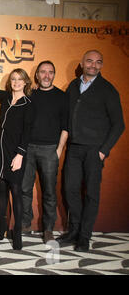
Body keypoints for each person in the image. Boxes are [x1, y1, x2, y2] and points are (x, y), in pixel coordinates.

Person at [56, 50, 124, 252]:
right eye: (90, 61)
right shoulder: (74, 86)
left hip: (94, 151)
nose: (93, 65)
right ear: (82, 63)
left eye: (98, 62)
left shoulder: (107, 90)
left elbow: (119, 125)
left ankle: (84, 237)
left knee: (91, 194)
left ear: (101, 66)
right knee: (70, 189)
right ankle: (74, 231)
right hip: (74, 148)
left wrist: (103, 151)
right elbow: (66, 117)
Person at [0, 68, 34, 250]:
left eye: (20, 79)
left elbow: (27, 131)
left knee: (16, 193)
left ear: (26, 82)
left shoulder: (28, 103)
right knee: (2, 192)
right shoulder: (5, 97)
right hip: (0, 151)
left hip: (16, 153)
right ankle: (1, 228)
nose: (16, 82)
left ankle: (17, 233)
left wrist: (20, 154)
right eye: (13, 79)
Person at [20, 61, 69, 244]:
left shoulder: (62, 97)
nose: (46, 75)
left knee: (49, 191)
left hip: (50, 150)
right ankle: (25, 224)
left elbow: (66, 126)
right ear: (37, 75)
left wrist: (58, 150)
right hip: (28, 148)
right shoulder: (29, 95)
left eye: (50, 72)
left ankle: (48, 229)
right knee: (25, 189)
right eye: (43, 72)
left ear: (54, 75)